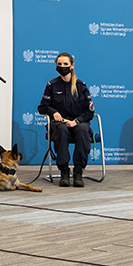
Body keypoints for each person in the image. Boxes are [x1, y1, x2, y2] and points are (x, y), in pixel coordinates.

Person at [37, 52, 95, 187]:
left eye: (65, 64)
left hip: (78, 123)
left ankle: (78, 171)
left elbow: (90, 112)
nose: (62, 66)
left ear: (72, 65)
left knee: (82, 129)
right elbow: (42, 107)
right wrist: (54, 112)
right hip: (59, 124)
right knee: (62, 129)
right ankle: (64, 171)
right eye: (59, 64)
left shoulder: (81, 86)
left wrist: (76, 121)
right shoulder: (52, 85)